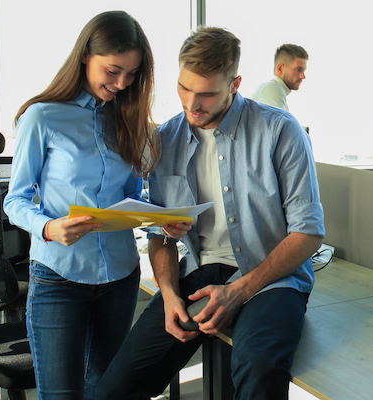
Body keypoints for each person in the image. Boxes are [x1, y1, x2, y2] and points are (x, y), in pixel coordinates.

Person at [97, 27, 325, 400]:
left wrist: (236, 293)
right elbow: (160, 236)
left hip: (270, 279)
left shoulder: (280, 131)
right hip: (197, 271)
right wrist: (169, 295)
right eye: (184, 89)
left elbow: (309, 232)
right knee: (114, 389)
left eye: (206, 95)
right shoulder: (165, 140)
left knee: (258, 369)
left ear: (234, 84)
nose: (192, 105)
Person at [3, 11, 190, 399]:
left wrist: (159, 222)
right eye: (113, 70)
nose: (121, 83)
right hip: (59, 278)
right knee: (61, 395)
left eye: (132, 74)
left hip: (120, 278)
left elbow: (130, 198)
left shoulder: (125, 119)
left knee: (105, 392)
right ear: (86, 55)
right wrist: (48, 228)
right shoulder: (43, 117)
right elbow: (15, 199)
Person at [251, 44, 308, 111]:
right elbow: (278, 122)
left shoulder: (274, 89)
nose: (303, 76)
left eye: (303, 71)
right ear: (280, 69)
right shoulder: (272, 87)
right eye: (298, 70)